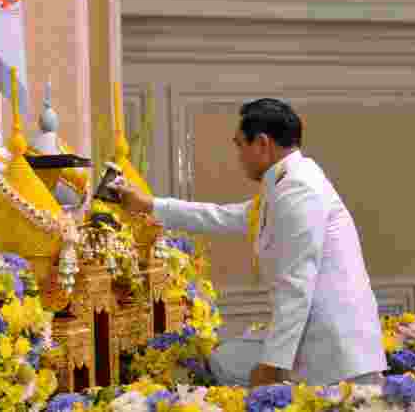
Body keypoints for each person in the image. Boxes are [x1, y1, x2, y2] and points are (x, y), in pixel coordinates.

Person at [111, 98, 386, 388]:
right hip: (323, 346)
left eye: (240, 144)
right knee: (225, 361)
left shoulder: (299, 189)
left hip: (336, 355)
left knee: (225, 366)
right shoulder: (286, 183)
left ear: (263, 144)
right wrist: (148, 205)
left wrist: (272, 366)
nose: (239, 155)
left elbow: (296, 284)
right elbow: (223, 216)